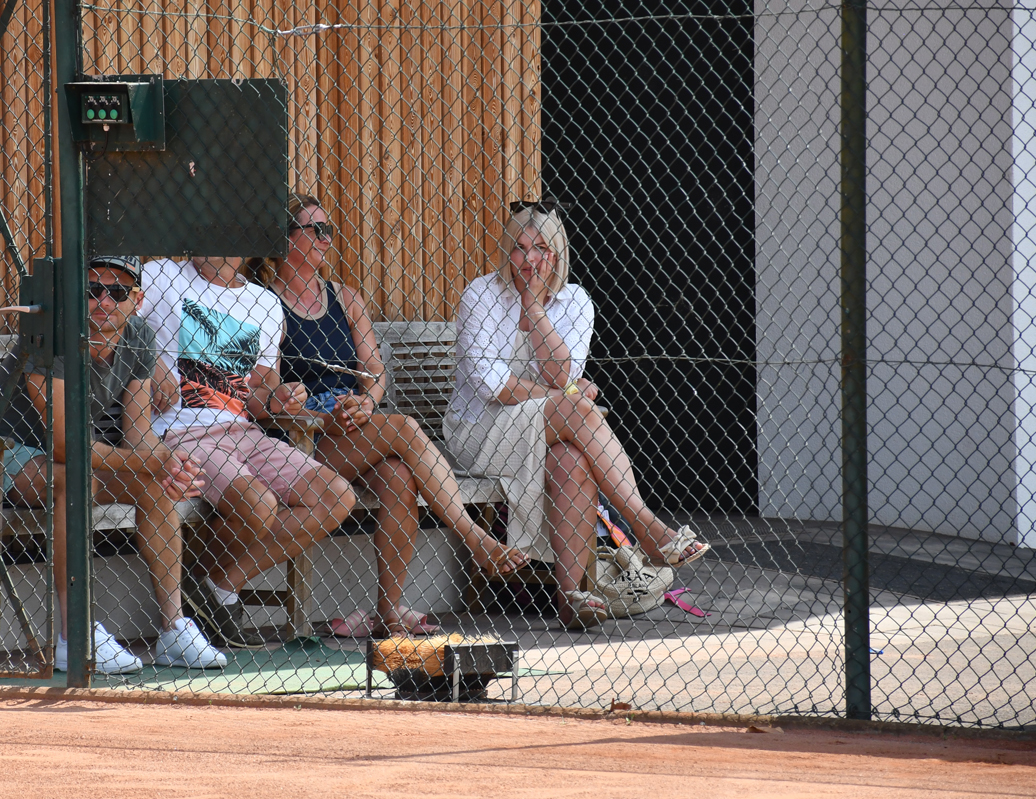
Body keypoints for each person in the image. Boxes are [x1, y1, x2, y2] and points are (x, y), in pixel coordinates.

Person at [249, 193, 529, 638]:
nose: (326, 239)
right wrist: (302, 406)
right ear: (285, 241)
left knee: (398, 475)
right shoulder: (264, 304)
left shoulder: (345, 298)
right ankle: (474, 537)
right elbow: (265, 390)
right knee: (403, 428)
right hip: (303, 436)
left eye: (328, 230)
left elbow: (374, 372)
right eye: (315, 230)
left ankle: (389, 610)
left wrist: (367, 401)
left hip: (353, 424)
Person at [444, 200, 710, 629]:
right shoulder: (481, 295)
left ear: (558, 253)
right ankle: (645, 526)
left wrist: (534, 310)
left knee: (570, 459)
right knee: (576, 409)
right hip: (480, 433)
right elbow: (493, 386)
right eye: (519, 247)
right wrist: (561, 395)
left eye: (541, 248)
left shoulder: (575, 302)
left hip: (549, 429)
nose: (529, 259)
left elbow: (560, 374)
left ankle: (572, 598)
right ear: (507, 250)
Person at [0, 254, 227, 672]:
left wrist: (168, 464)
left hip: (61, 460)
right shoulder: (52, 335)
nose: (104, 301)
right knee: (78, 481)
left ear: (137, 301)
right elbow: (67, 446)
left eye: (118, 291)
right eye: (92, 290)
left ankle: (174, 630)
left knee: (154, 485)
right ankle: (75, 634)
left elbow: (138, 432)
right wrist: (152, 461)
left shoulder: (138, 334)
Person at [137, 255, 356, 649]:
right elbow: (109, 321)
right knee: (258, 504)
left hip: (245, 431)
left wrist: (281, 397)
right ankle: (204, 590)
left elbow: (260, 391)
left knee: (337, 496)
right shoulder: (162, 275)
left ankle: (217, 585)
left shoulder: (264, 302)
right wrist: (150, 363)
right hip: (181, 435)